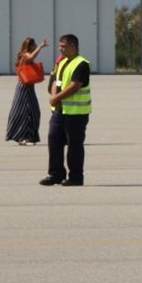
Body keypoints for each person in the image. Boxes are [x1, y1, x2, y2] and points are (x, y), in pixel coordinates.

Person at [40, 34, 91, 187]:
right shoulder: (62, 63)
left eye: (63, 46)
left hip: (76, 113)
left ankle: (76, 177)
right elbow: (57, 81)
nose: (60, 49)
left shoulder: (82, 64)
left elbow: (75, 86)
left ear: (73, 46)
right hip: (59, 111)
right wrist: (54, 97)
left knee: (74, 145)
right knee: (54, 140)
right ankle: (56, 174)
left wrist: (57, 98)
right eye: (60, 46)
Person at [7, 37, 48, 144]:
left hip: (29, 87)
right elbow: (30, 57)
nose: (35, 46)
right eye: (33, 45)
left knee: (33, 112)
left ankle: (29, 136)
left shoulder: (25, 55)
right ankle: (22, 137)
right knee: (25, 112)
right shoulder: (24, 55)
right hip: (24, 87)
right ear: (29, 46)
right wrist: (41, 46)